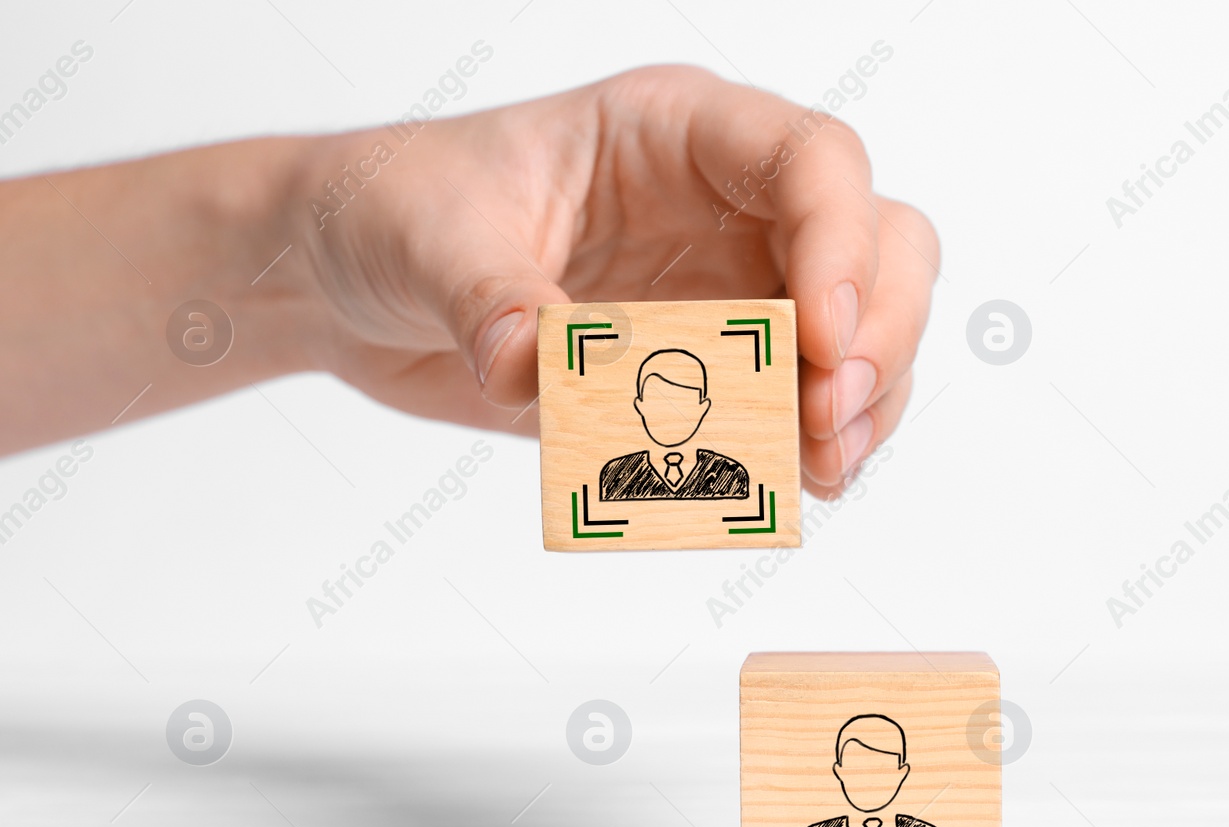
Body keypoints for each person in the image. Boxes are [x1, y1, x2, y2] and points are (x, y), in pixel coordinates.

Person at [0, 66, 937, 500]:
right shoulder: (613, 474)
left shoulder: (731, 473)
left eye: (685, 394)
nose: (668, 408)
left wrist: (303, 259)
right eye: (656, 390)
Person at [798, 714, 948, 827]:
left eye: (882, 769)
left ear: (901, 773)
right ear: (839, 771)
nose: (868, 782)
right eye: (855, 768)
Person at [599, 349, 749, 501]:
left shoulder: (730, 474)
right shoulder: (617, 475)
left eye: (683, 403)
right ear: (640, 405)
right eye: (657, 401)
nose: (671, 413)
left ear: (702, 408)